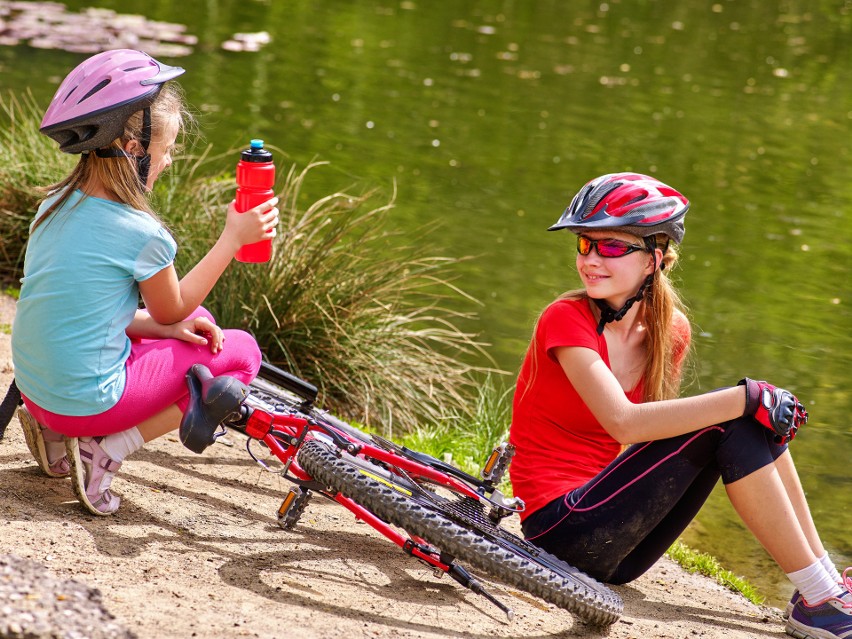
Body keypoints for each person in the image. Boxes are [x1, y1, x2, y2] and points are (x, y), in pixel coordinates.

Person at [508, 172, 850, 638]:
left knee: (748, 423)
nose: (589, 260)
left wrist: (752, 409)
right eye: (585, 244)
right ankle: (820, 596)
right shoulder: (565, 320)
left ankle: (825, 586)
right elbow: (625, 425)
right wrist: (747, 397)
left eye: (610, 248)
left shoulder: (671, 332)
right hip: (558, 530)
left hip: (620, 546)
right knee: (735, 416)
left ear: (654, 259)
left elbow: (657, 436)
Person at [11, 49, 279, 516]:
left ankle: (54, 436)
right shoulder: (142, 234)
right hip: (82, 404)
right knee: (241, 354)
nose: (170, 160)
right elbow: (169, 309)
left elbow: (87, 312)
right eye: (167, 149)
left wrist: (170, 328)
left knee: (197, 322)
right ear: (134, 149)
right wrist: (232, 239)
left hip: (38, 391)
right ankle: (107, 450)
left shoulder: (52, 207)